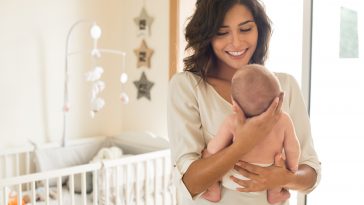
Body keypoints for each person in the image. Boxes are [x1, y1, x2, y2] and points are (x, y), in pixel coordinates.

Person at [167, 0, 321, 204]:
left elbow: (311, 173)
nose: (237, 43)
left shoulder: (285, 85)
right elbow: (189, 184)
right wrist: (242, 145)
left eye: (246, 29)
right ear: (207, 36)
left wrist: (284, 178)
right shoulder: (187, 86)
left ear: (259, 29)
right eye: (222, 32)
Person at [201, 64, 300, 204]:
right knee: (279, 164)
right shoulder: (283, 120)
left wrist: (207, 153)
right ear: (277, 100)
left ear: (234, 104)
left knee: (209, 159)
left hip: (234, 178)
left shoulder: (233, 121)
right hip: (268, 177)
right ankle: (275, 194)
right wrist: (291, 168)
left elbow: (214, 148)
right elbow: (293, 148)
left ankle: (213, 190)